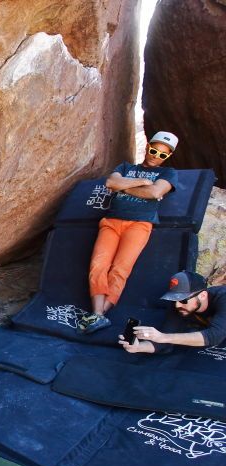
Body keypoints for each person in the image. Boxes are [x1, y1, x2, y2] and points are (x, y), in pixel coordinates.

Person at [77, 131, 180, 334]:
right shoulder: (125, 167)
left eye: (162, 155)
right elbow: (110, 183)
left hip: (139, 224)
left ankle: (99, 315)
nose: (155, 156)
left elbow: (155, 192)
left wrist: (124, 186)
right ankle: (97, 314)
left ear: (167, 157)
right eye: (153, 150)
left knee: (120, 269)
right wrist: (142, 182)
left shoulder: (168, 173)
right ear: (148, 146)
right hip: (112, 221)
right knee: (98, 265)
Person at [118, 270, 226, 354]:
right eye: (174, 299)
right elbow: (163, 343)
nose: (177, 305)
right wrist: (138, 347)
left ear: (203, 296)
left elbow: (214, 336)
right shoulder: (179, 306)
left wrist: (162, 337)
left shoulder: (223, 298)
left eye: (183, 300)